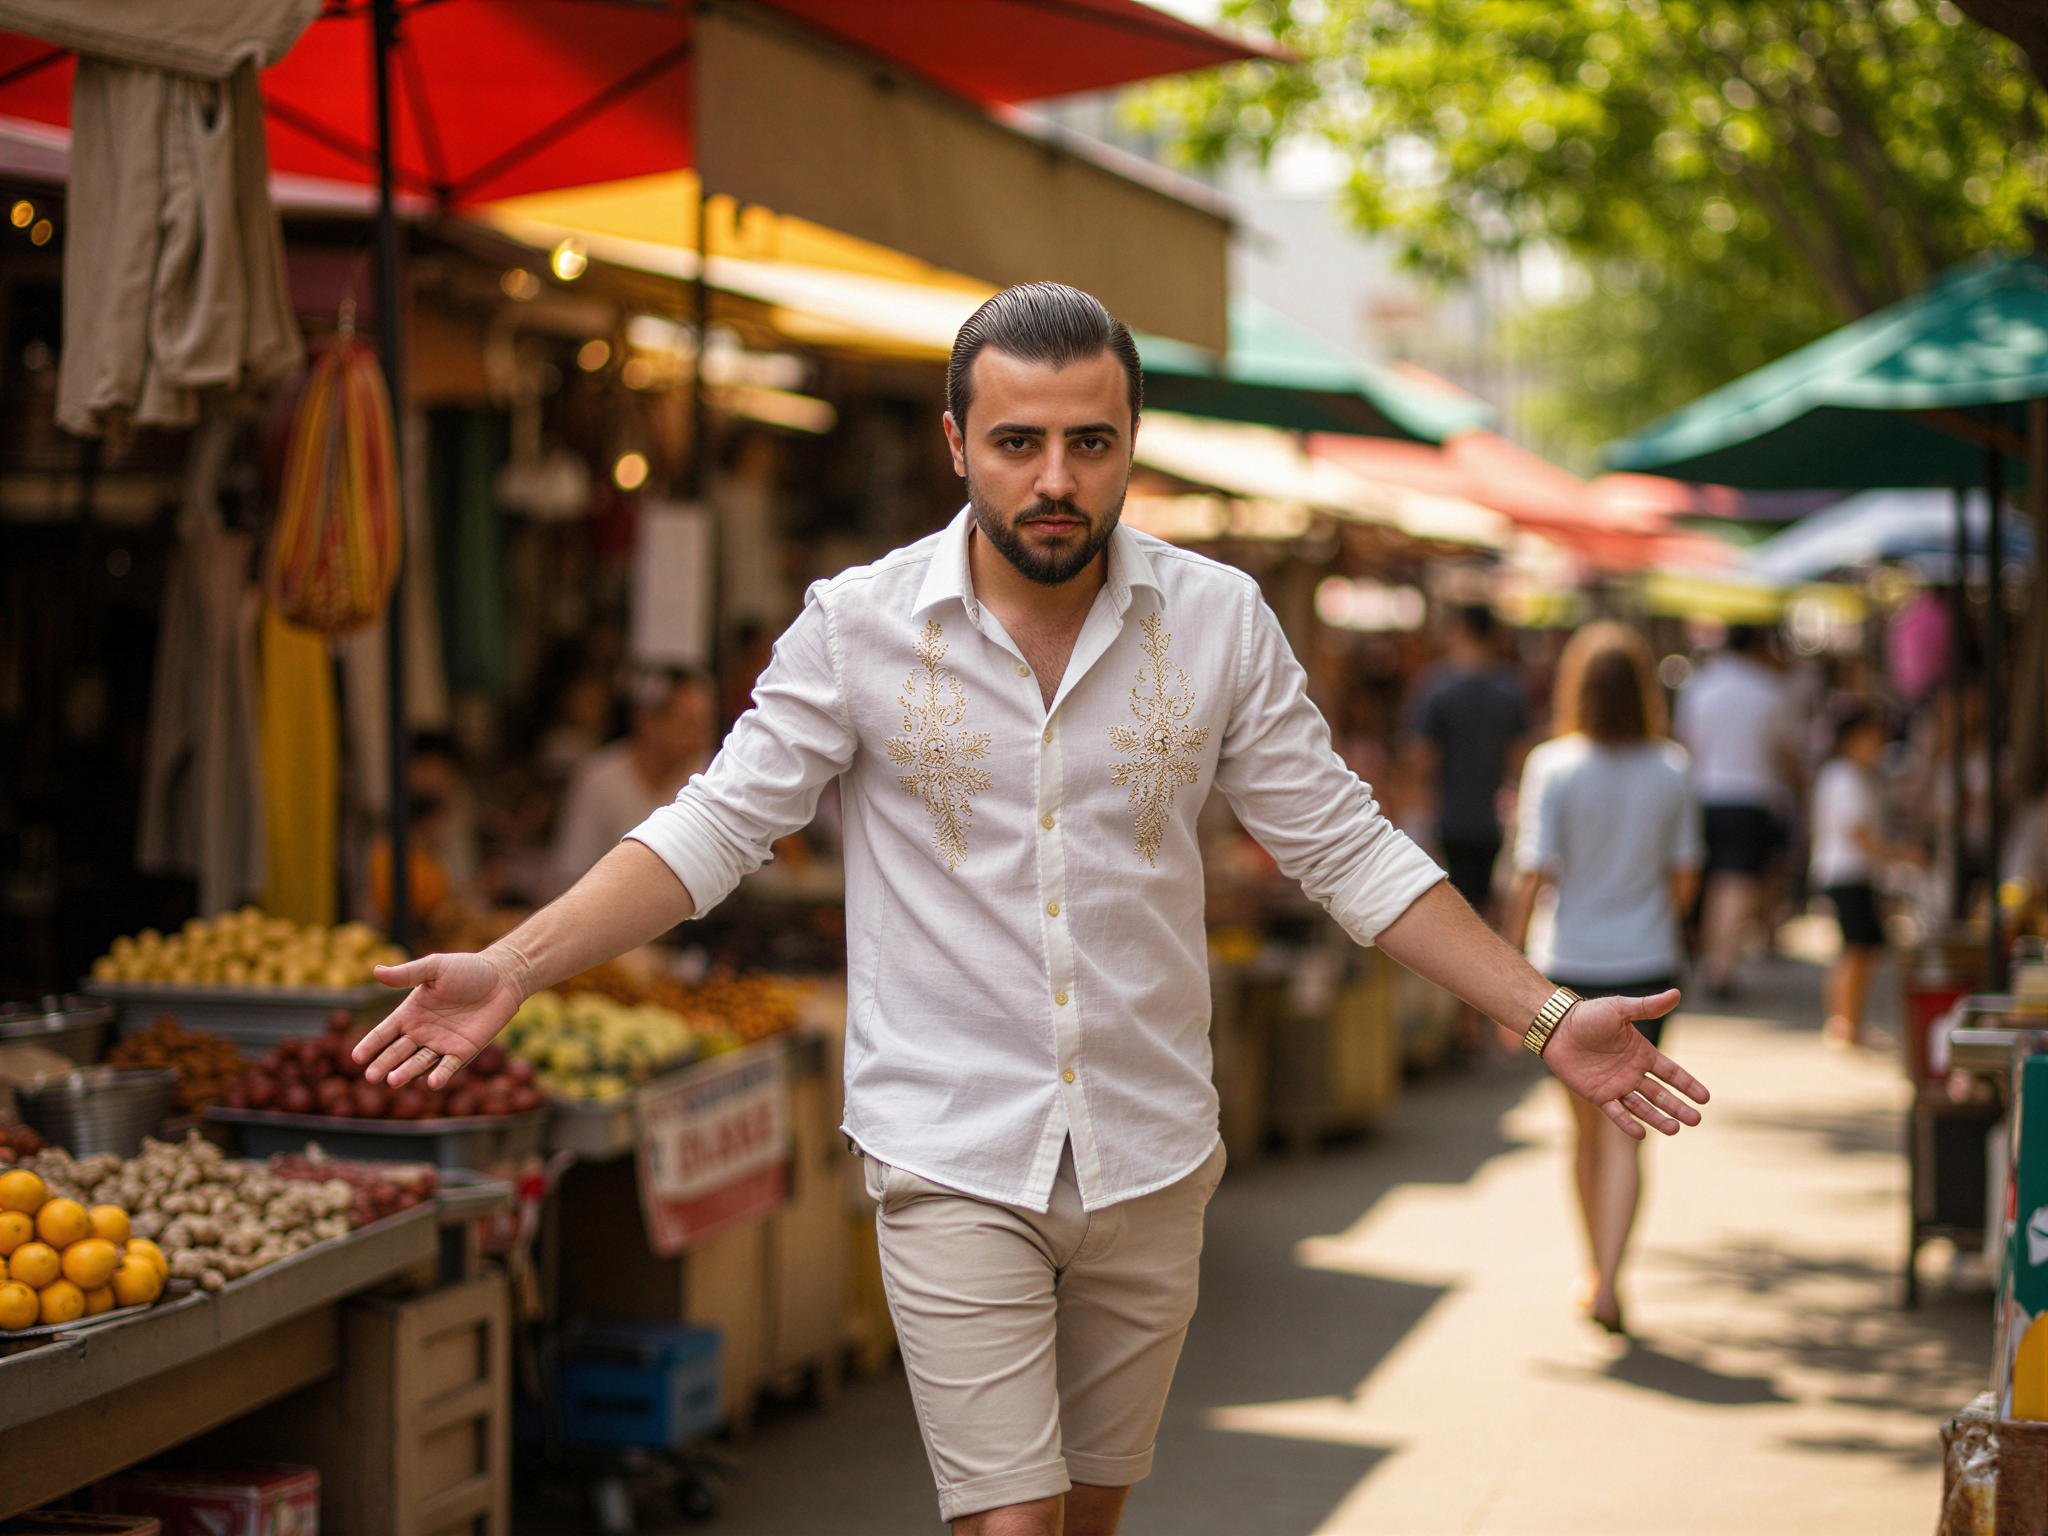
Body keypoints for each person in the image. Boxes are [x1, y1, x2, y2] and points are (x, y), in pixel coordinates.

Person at [357, 283, 1709, 1536]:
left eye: (1089, 443)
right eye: (1016, 442)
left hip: (1152, 1145)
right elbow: (714, 826)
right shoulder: (857, 625)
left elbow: (1349, 851)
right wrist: (518, 965)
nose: (1054, 480)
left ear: (1132, 443)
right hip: (951, 1143)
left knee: (1086, 1520)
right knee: (1010, 1523)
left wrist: (1543, 1016)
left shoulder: (1222, 622)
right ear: (955, 442)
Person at [1506, 623, 1702, 1337]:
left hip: (1567, 964)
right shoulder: (1672, 767)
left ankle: (1594, 1270)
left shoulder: (1553, 765)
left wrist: (1508, 979)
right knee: (1628, 1130)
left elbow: (1533, 874)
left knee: (1582, 1131)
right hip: (1648, 962)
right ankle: (1613, 1276)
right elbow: (1685, 876)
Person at [1674, 623, 1800, 997]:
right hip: (1752, 796)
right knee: (1736, 883)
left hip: (1703, 792)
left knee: (1707, 877)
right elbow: (1785, 751)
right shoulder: (1769, 690)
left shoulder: (1699, 687)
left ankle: (1707, 956)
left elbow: (1686, 745)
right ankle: (1720, 966)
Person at [1405, 604, 1529, 919]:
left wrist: (1419, 809)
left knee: (1451, 907)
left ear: (1461, 630)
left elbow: (1422, 758)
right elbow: (1519, 756)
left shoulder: (1435, 687)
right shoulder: (1511, 689)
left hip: (1449, 815)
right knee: (1485, 907)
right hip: (1492, 818)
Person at [1811, 705, 1924, 1047]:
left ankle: (1849, 1022)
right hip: (1846, 872)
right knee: (1854, 950)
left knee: (1862, 950)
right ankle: (1842, 1023)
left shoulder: (1853, 776)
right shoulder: (1843, 777)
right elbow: (1859, 835)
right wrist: (1902, 854)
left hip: (1854, 872)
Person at [546, 668, 713, 896]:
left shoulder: (711, 780)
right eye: (687, 725)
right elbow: (570, 874)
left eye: (704, 726)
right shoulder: (597, 779)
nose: (699, 740)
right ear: (647, 720)